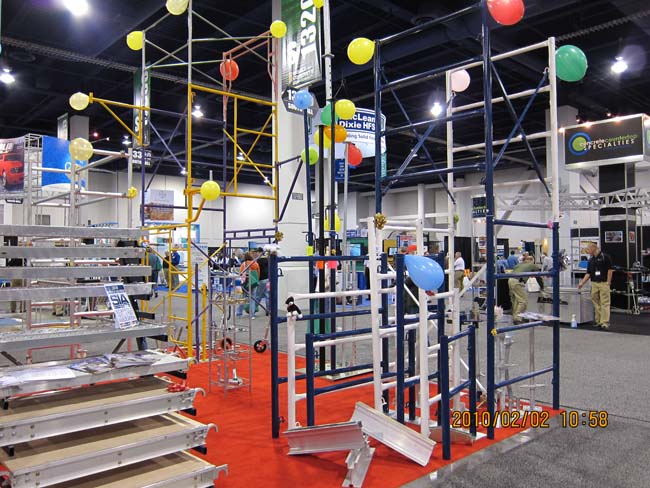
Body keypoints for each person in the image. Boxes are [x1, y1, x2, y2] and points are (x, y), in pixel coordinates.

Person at [577, 243, 613, 329]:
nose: (587, 251)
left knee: (605, 303)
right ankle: (598, 321)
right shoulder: (591, 260)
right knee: (596, 303)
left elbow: (610, 270)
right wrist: (582, 283)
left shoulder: (605, 257)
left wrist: (608, 282)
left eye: (588, 249)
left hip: (603, 283)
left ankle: (604, 322)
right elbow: (588, 273)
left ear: (593, 248)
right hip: (594, 283)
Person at [508, 256, 542, 323]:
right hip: (518, 282)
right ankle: (517, 318)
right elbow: (539, 277)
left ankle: (515, 317)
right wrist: (542, 287)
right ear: (532, 260)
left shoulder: (518, 265)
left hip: (510, 280)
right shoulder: (532, 265)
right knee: (523, 301)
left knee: (516, 300)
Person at [237, 252, 260, 318]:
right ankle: (252, 314)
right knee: (252, 298)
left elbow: (240, 273)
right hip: (254, 283)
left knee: (243, 298)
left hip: (246, 283)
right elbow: (258, 273)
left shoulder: (244, 264)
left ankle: (239, 313)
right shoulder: (255, 263)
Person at [253, 247, 269, 315]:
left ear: (260, 252)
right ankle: (268, 310)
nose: (256, 253)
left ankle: (253, 310)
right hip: (268, 279)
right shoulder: (267, 260)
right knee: (267, 295)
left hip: (262, 279)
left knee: (258, 296)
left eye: (257, 252)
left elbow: (256, 271)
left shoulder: (258, 261)